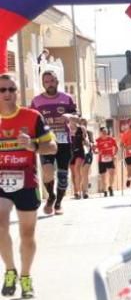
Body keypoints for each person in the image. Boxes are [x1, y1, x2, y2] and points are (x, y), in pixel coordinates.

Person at [0, 74, 57, 299]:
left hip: (26, 181)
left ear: (17, 92)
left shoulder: (32, 117)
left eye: (11, 89)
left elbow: (51, 147)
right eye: (2, 90)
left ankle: (25, 276)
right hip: (1, 182)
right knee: (1, 227)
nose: (6, 94)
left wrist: (33, 145)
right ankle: (10, 270)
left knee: (27, 234)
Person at [30, 70, 77, 216]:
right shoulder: (36, 101)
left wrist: (69, 116)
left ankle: (58, 204)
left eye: (52, 81)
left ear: (57, 81)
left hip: (64, 141)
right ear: (43, 84)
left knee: (63, 175)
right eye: (46, 81)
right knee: (48, 171)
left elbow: (77, 114)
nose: (49, 84)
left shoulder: (67, 98)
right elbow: (31, 120)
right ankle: (51, 196)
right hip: (46, 141)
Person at [70, 118, 93, 199]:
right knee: (75, 173)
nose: (83, 125)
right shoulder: (69, 130)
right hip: (73, 153)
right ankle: (77, 191)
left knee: (84, 172)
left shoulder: (87, 132)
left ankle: (85, 191)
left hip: (86, 153)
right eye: (81, 123)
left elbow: (91, 143)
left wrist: (87, 142)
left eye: (85, 124)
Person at [95, 126, 118, 196]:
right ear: (100, 133)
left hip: (110, 159)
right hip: (101, 160)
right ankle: (105, 190)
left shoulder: (111, 139)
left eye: (106, 131)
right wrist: (97, 152)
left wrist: (114, 155)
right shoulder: (97, 140)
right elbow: (94, 149)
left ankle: (110, 187)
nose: (105, 133)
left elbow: (116, 148)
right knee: (103, 176)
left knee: (112, 173)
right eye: (103, 132)